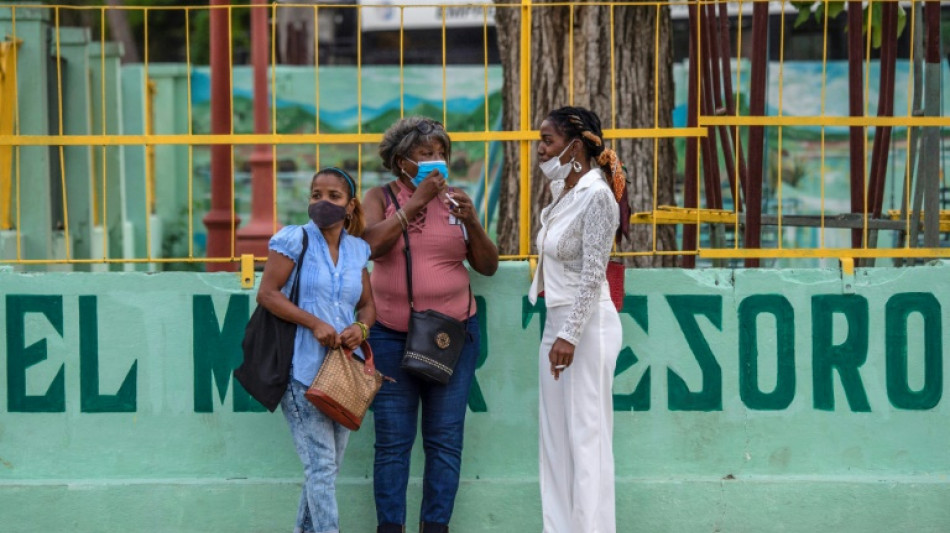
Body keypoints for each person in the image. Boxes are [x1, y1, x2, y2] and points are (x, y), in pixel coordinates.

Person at [362, 116, 499, 533]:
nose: (436, 161)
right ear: (401, 161)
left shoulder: (456, 200)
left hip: (451, 334)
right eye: (425, 155)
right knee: (392, 443)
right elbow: (368, 244)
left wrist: (472, 220)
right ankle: (391, 527)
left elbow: (487, 266)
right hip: (389, 335)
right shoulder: (379, 196)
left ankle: (435, 526)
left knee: (444, 442)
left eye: (440, 153)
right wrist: (415, 204)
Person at [256, 167, 375, 533]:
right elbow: (267, 293)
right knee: (321, 467)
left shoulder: (358, 250)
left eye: (333, 197)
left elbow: (368, 304)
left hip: (342, 374)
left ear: (350, 206)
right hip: (301, 369)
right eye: (315, 195)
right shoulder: (294, 240)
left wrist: (360, 327)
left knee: (325, 470)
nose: (322, 203)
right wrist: (313, 322)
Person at [528, 106, 627, 533]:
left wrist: (569, 334)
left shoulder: (599, 195)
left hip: (587, 327)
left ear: (574, 146)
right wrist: (559, 330)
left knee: (588, 440)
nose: (539, 150)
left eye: (547, 141)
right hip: (557, 320)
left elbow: (594, 272)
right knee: (556, 442)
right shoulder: (563, 193)